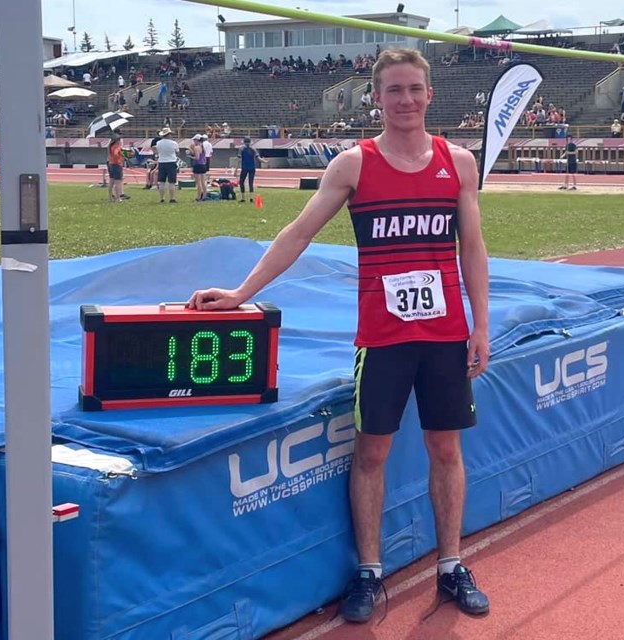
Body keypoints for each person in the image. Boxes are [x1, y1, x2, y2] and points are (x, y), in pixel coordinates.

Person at [187, 48, 490, 623]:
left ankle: (451, 565)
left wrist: (482, 324)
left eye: (415, 89)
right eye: (394, 90)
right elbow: (298, 233)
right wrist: (241, 293)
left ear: (430, 95)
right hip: (382, 338)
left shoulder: (459, 162)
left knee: (446, 450)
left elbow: (471, 248)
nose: (405, 100)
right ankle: (369, 572)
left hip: (446, 334)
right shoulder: (354, 164)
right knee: (372, 452)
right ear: (376, 97)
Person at [152, 127, 180, 204]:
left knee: (161, 182)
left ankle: (162, 198)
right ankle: (172, 198)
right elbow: (177, 152)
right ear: (169, 135)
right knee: (172, 182)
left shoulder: (158, 143)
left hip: (162, 162)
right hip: (171, 162)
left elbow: (156, 151)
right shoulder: (174, 143)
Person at [237, 137, 261, 203]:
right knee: (251, 182)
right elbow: (258, 158)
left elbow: (239, 159)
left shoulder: (241, 149)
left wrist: (236, 169)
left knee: (241, 182)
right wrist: (265, 161)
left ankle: (243, 198)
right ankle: (251, 198)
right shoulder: (253, 149)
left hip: (244, 167)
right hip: (252, 167)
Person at [189, 133, 208, 202]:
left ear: (197, 140)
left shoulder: (196, 148)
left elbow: (197, 158)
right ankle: (205, 196)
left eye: (194, 140)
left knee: (198, 182)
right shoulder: (203, 147)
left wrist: (190, 156)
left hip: (198, 165)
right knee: (203, 182)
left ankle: (199, 196)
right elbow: (204, 158)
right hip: (203, 165)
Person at [107, 136, 125, 202]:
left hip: (111, 164)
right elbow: (115, 153)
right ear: (118, 141)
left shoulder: (110, 146)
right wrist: (118, 159)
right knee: (118, 182)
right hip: (116, 165)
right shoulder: (117, 146)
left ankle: (110, 197)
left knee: (111, 181)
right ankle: (118, 198)